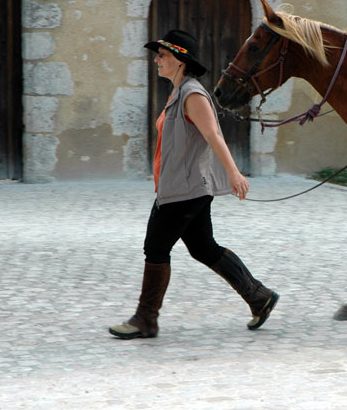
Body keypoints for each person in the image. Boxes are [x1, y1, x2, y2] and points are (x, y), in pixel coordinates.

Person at [109, 29, 278, 339]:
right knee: (203, 247)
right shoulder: (179, 91)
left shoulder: (193, 94)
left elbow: (213, 134)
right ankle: (259, 296)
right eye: (157, 55)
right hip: (182, 188)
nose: (157, 60)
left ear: (181, 61)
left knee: (156, 247)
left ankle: (146, 319)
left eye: (163, 55)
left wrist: (234, 173)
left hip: (184, 191)